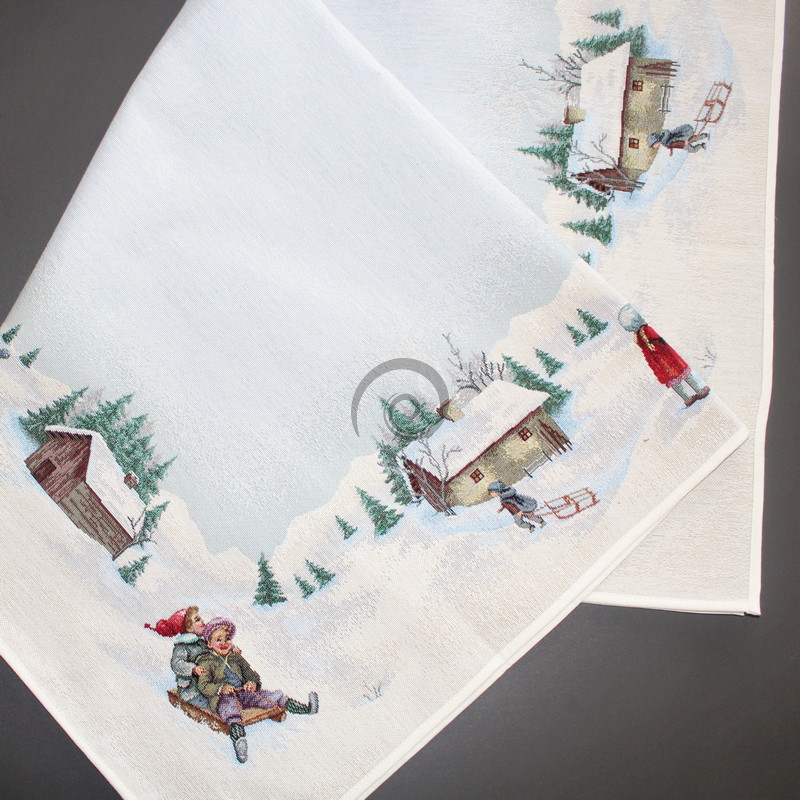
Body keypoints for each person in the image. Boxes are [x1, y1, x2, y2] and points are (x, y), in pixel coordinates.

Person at [196, 617, 319, 763]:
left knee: (270, 697)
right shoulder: (206, 662)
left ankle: (305, 709)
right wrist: (220, 688)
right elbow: (203, 685)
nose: (224, 643)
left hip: (244, 692)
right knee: (230, 711)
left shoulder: (236, 657)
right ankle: (239, 741)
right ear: (209, 644)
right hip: (224, 697)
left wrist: (252, 683)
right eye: (218, 640)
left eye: (227, 639)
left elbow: (251, 673)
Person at [618, 304, 710, 406]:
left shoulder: (638, 337)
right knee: (685, 374)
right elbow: (661, 342)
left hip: (660, 364)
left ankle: (687, 398)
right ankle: (700, 391)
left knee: (675, 381)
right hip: (668, 357)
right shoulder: (647, 330)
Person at [146, 606, 215, 709]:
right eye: (197, 620)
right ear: (188, 628)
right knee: (211, 705)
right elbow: (176, 664)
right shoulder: (182, 646)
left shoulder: (202, 642)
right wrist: (193, 669)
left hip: (207, 684)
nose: (203, 621)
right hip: (192, 691)